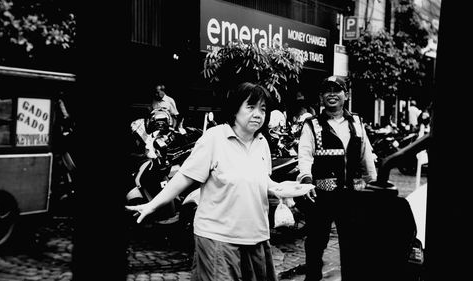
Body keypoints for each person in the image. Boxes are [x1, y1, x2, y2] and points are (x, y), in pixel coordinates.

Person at [127, 82, 314, 281]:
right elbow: (184, 177)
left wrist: (285, 188)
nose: (258, 114)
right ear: (235, 109)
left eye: (263, 109)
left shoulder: (262, 143)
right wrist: (152, 205)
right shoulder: (214, 138)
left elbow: (262, 182)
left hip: (256, 237)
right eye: (250, 107)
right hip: (218, 239)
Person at [296, 75, 377, 281]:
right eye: (327, 91)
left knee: (352, 243)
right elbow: (304, 155)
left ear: (346, 95)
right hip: (322, 195)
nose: (332, 94)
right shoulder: (312, 125)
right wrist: (306, 179)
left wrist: (373, 182)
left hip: (352, 194)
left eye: (337, 90)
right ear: (321, 97)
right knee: (315, 243)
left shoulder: (357, 122)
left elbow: (366, 155)